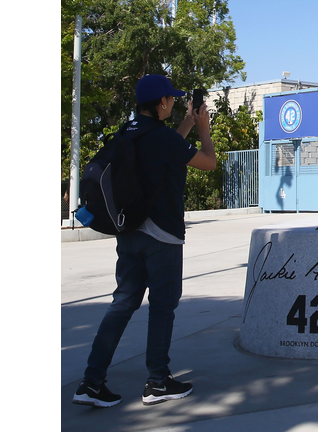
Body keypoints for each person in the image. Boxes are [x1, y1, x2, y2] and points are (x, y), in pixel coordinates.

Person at [72, 74, 217, 408]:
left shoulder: (129, 133)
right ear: (162, 102)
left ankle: (91, 383)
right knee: (163, 307)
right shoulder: (164, 140)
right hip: (162, 237)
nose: (173, 103)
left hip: (130, 234)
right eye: (171, 100)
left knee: (122, 304)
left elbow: (165, 150)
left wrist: (184, 125)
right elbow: (208, 163)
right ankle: (157, 381)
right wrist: (203, 131)